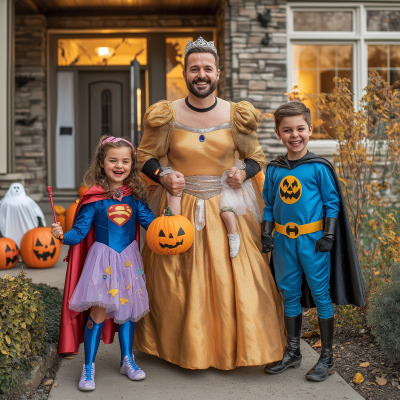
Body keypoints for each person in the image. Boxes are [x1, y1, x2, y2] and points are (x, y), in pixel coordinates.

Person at [134, 37, 286, 370]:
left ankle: (235, 347)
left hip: (226, 205)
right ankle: (180, 348)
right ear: (185, 74)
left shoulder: (235, 114)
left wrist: (241, 172)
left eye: (207, 68)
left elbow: (256, 157)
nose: (200, 74)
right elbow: (144, 156)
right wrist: (161, 175)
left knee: (243, 278)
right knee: (175, 280)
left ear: (217, 73)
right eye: (194, 69)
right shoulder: (167, 114)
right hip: (179, 207)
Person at [262, 102, 366, 381]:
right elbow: (269, 205)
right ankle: (293, 352)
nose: (294, 135)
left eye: (300, 129)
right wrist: (266, 232)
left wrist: (329, 235)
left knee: (321, 294)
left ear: (309, 130)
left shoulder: (318, 167)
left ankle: (327, 357)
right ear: (278, 133)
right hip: (284, 241)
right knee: (289, 294)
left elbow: (332, 203)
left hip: (313, 241)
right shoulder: (273, 169)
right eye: (287, 130)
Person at [53, 135, 155, 391]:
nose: (119, 166)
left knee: (128, 312)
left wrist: (169, 221)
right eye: (113, 160)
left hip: (129, 262)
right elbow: (79, 232)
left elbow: (151, 225)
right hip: (102, 264)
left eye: (125, 161)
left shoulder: (134, 196)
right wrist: (63, 235)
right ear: (102, 163)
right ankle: (88, 367)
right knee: (97, 312)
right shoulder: (94, 198)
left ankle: (127, 360)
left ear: (132, 164)